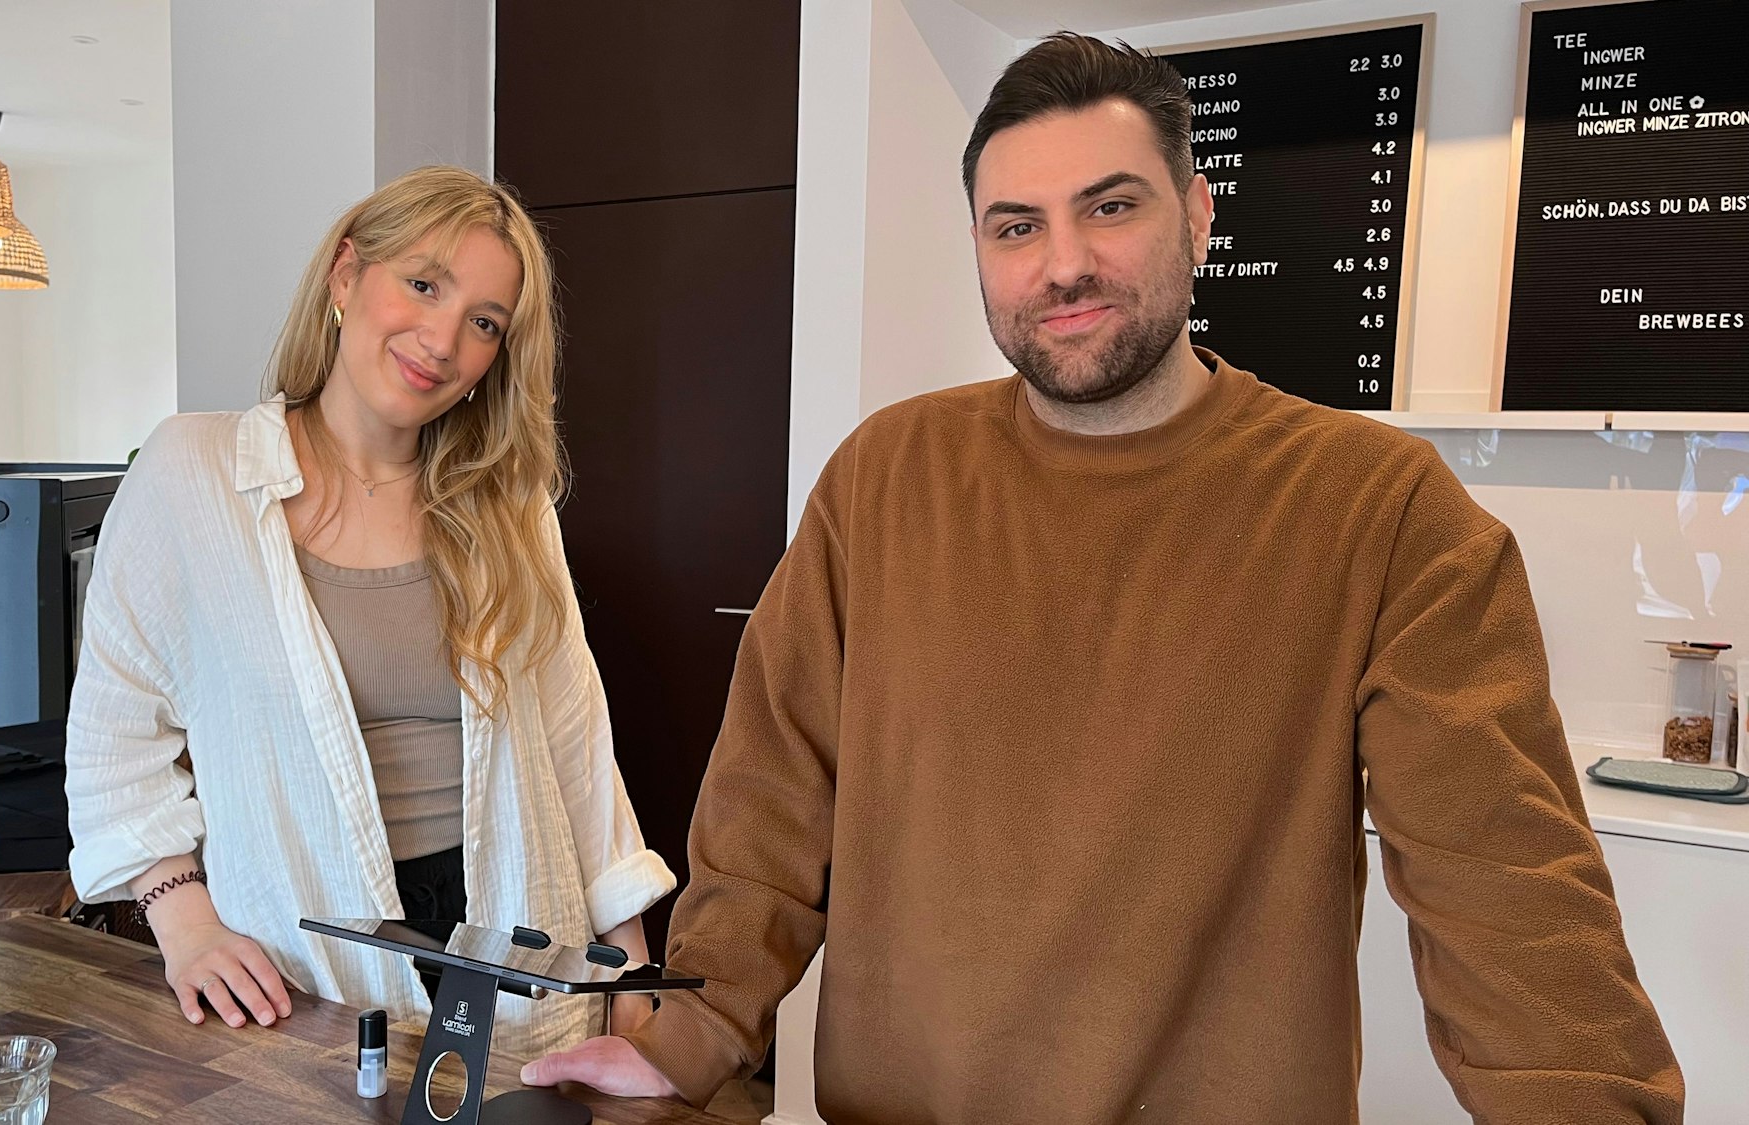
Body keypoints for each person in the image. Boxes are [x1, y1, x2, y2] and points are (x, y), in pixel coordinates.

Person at [522, 34, 1684, 1123]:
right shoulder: (887, 477)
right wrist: (691, 1028)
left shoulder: (1375, 509)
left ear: (1196, 215)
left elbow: (1509, 887)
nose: (1062, 264)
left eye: (1110, 207)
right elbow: (769, 806)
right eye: (1014, 226)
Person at [65, 165, 674, 1058]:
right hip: (299, 962)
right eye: (423, 285)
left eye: (484, 324)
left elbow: (577, 744)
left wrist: (628, 971)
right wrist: (185, 923)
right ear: (346, 276)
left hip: (511, 934)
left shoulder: (510, 504)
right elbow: (116, 734)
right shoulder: (191, 475)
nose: (441, 338)